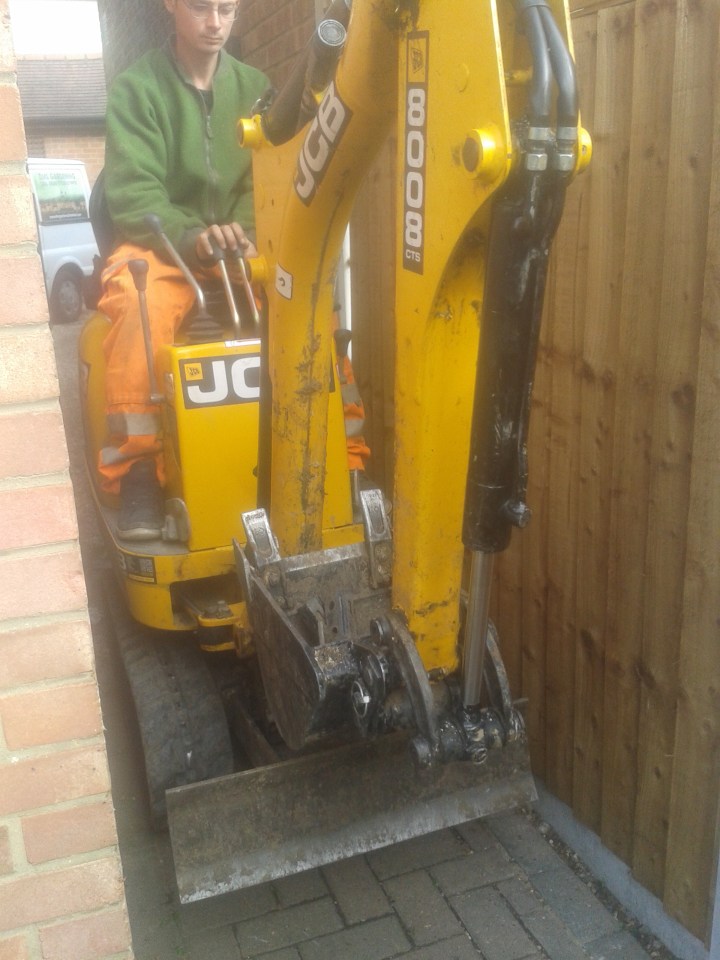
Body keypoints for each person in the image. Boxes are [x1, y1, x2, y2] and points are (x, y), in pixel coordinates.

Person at [98, 0, 269, 541]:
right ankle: (139, 472)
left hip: (238, 247)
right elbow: (135, 194)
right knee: (140, 302)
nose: (215, 23)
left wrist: (244, 232)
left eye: (227, 8)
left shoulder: (258, 90)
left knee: (302, 294)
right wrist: (194, 239)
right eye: (200, 6)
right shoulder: (136, 90)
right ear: (170, 4)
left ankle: (341, 454)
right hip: (160, 245)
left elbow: (268, 177)